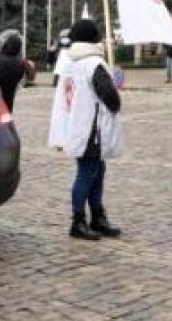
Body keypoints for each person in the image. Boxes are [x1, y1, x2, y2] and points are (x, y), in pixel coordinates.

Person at [48, 19, 123, 240]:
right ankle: (78, 221)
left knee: (97, 171)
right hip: (91, 128)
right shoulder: (93, 63)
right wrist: (116, 96)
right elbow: (109, 96)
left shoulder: (69, 61)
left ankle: (97, 217)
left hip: (78, 125)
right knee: (87, 172)